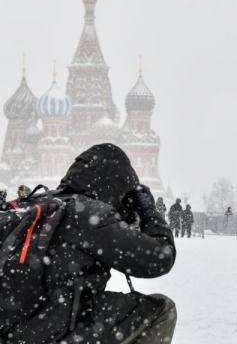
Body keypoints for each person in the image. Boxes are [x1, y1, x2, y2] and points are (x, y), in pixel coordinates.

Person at [0, 143, 177, 343]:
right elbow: (160, 257)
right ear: (114, 183)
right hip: (45, 331)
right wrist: (148, 211)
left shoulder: (33, 203)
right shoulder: (88, 213)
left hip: (10, 327)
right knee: (162, 309)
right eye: (123, 194)